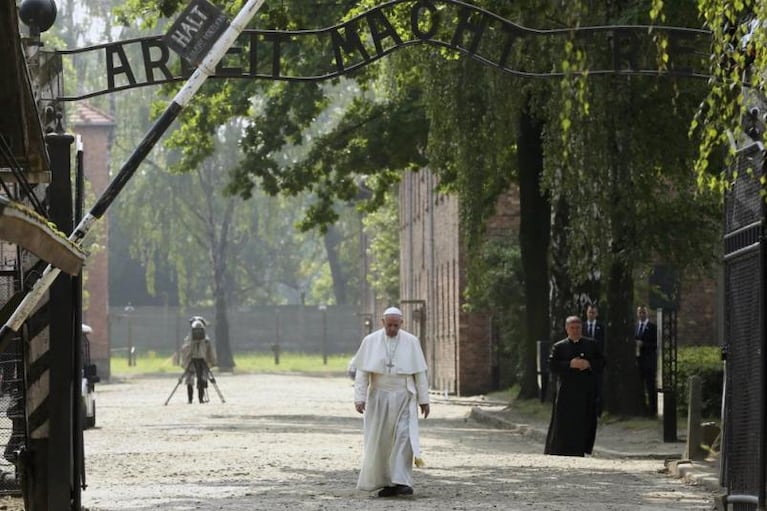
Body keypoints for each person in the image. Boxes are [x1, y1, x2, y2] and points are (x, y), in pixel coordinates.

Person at [353, 306, 430, 498]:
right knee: (382, 441)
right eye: (389, 325)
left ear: (402, 323)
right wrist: (359, 398)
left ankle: (402, 481)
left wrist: (424, 400)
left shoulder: (411, 342)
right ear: (382, 323)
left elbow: (420, 373)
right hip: (379, 397)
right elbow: (362, 373)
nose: (392, 329)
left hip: (404, 395)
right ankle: (387, 482)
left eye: (396, 325)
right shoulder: (370, 341)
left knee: (404, 437)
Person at [544, 315, 605, 457]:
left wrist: (589, 364)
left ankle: (583, 448)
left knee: (585, 419)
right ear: (567, 329)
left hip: (586, 389)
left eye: (578, 328)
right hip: (567, 390)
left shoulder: (591, 344)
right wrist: (569, 364)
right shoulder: (559, 347)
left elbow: (602, 361)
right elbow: (552, 365)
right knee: (564, 420)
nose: (575, 331)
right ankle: (560, 448)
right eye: (572, 328)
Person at [180, 317, 218, 404]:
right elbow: (209, 352)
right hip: (195, 360)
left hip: (199, 360)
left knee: (200, 378)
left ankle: (195, 399)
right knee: (192, 378)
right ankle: (194, 399)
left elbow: (208, 351)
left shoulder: (203, 339)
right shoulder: (194, 339)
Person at [635, 305, 658, 416]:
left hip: (649, 361)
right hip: (638, 360)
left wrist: (644, 344)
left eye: (643, 312)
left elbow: (655, 344)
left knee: (650, 386)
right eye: (640, 312)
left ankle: (653, 410)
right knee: (639, 386)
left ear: (647, 313)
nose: (641, 314)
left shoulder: (652, 327)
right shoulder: (635, 327)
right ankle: (642, 409)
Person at [584, 304, 605, 416]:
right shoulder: (582, 327)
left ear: (596, 314)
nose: (591, 314)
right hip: (585, 362)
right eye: (589, 312)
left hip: (597, 362)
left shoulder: (601, 327)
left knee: (598, 387)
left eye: (593, 312)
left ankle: (598, 411)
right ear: (586, 313)